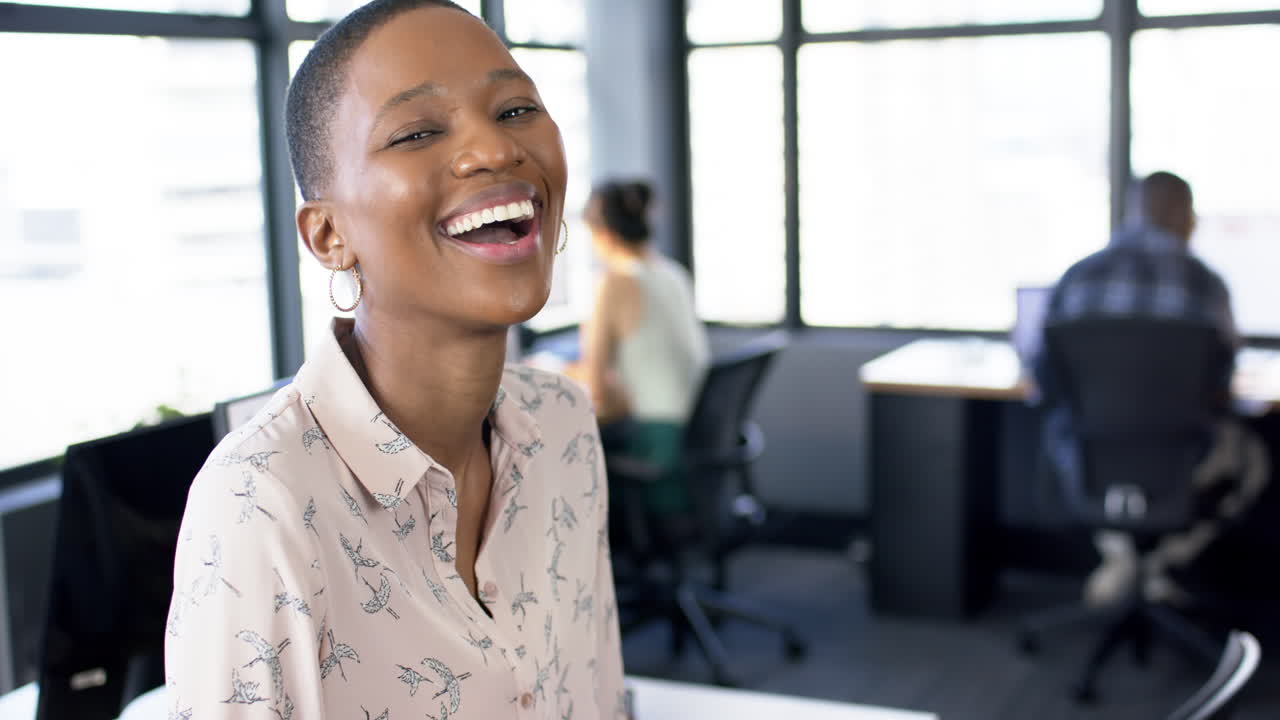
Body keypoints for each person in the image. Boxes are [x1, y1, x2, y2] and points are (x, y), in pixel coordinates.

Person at [163, 2, 626, 718]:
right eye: (416, 131)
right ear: (327, 235)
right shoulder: (263, 505)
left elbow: (598, 696)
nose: (497, 151)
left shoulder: (562, 425)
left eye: (514, 110)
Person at [1034, 171, 1269, 609]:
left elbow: (1044, 374)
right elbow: (1220, 382)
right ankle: (1160, 563)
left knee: (1066, 436)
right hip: (1182, 458)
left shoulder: (1077, 276)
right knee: (1253, 457)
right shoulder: (1204, 282)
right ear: (1185, 218)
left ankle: (1121, 556)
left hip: (1090, 456)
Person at [571, 180, 709, 513]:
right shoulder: (673, 274)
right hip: (694, 440)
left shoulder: (615, 281)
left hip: (656, 446)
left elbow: (597, 387)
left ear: (601, 234)